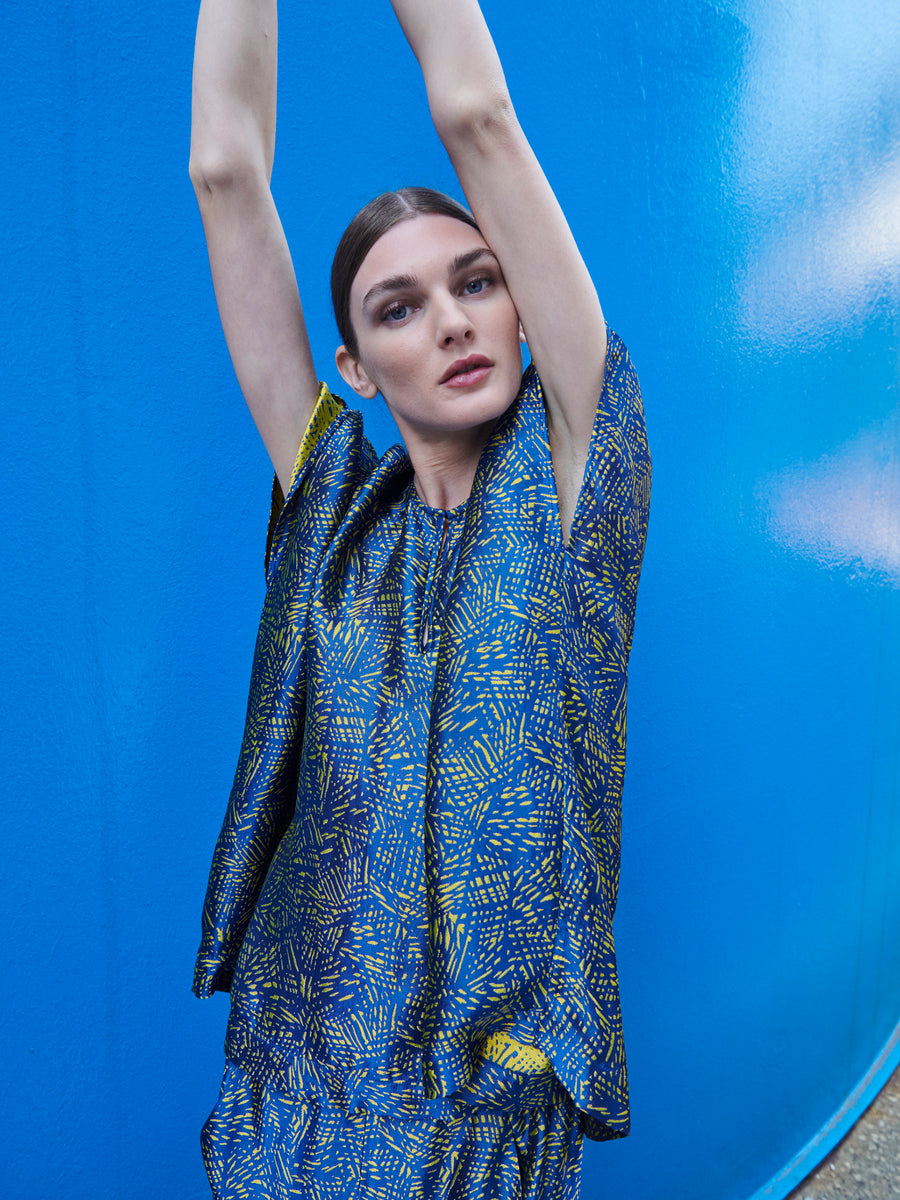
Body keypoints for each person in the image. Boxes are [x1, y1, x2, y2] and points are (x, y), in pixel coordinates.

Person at [189, 0, 651, 1196]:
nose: (451, 321)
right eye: (398, 309)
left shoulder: (573, 484)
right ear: (355, 367)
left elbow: (476, 113)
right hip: (295, 1089)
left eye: (477, 283)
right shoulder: (330, 501)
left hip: (479, 1106)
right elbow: (223, 169)